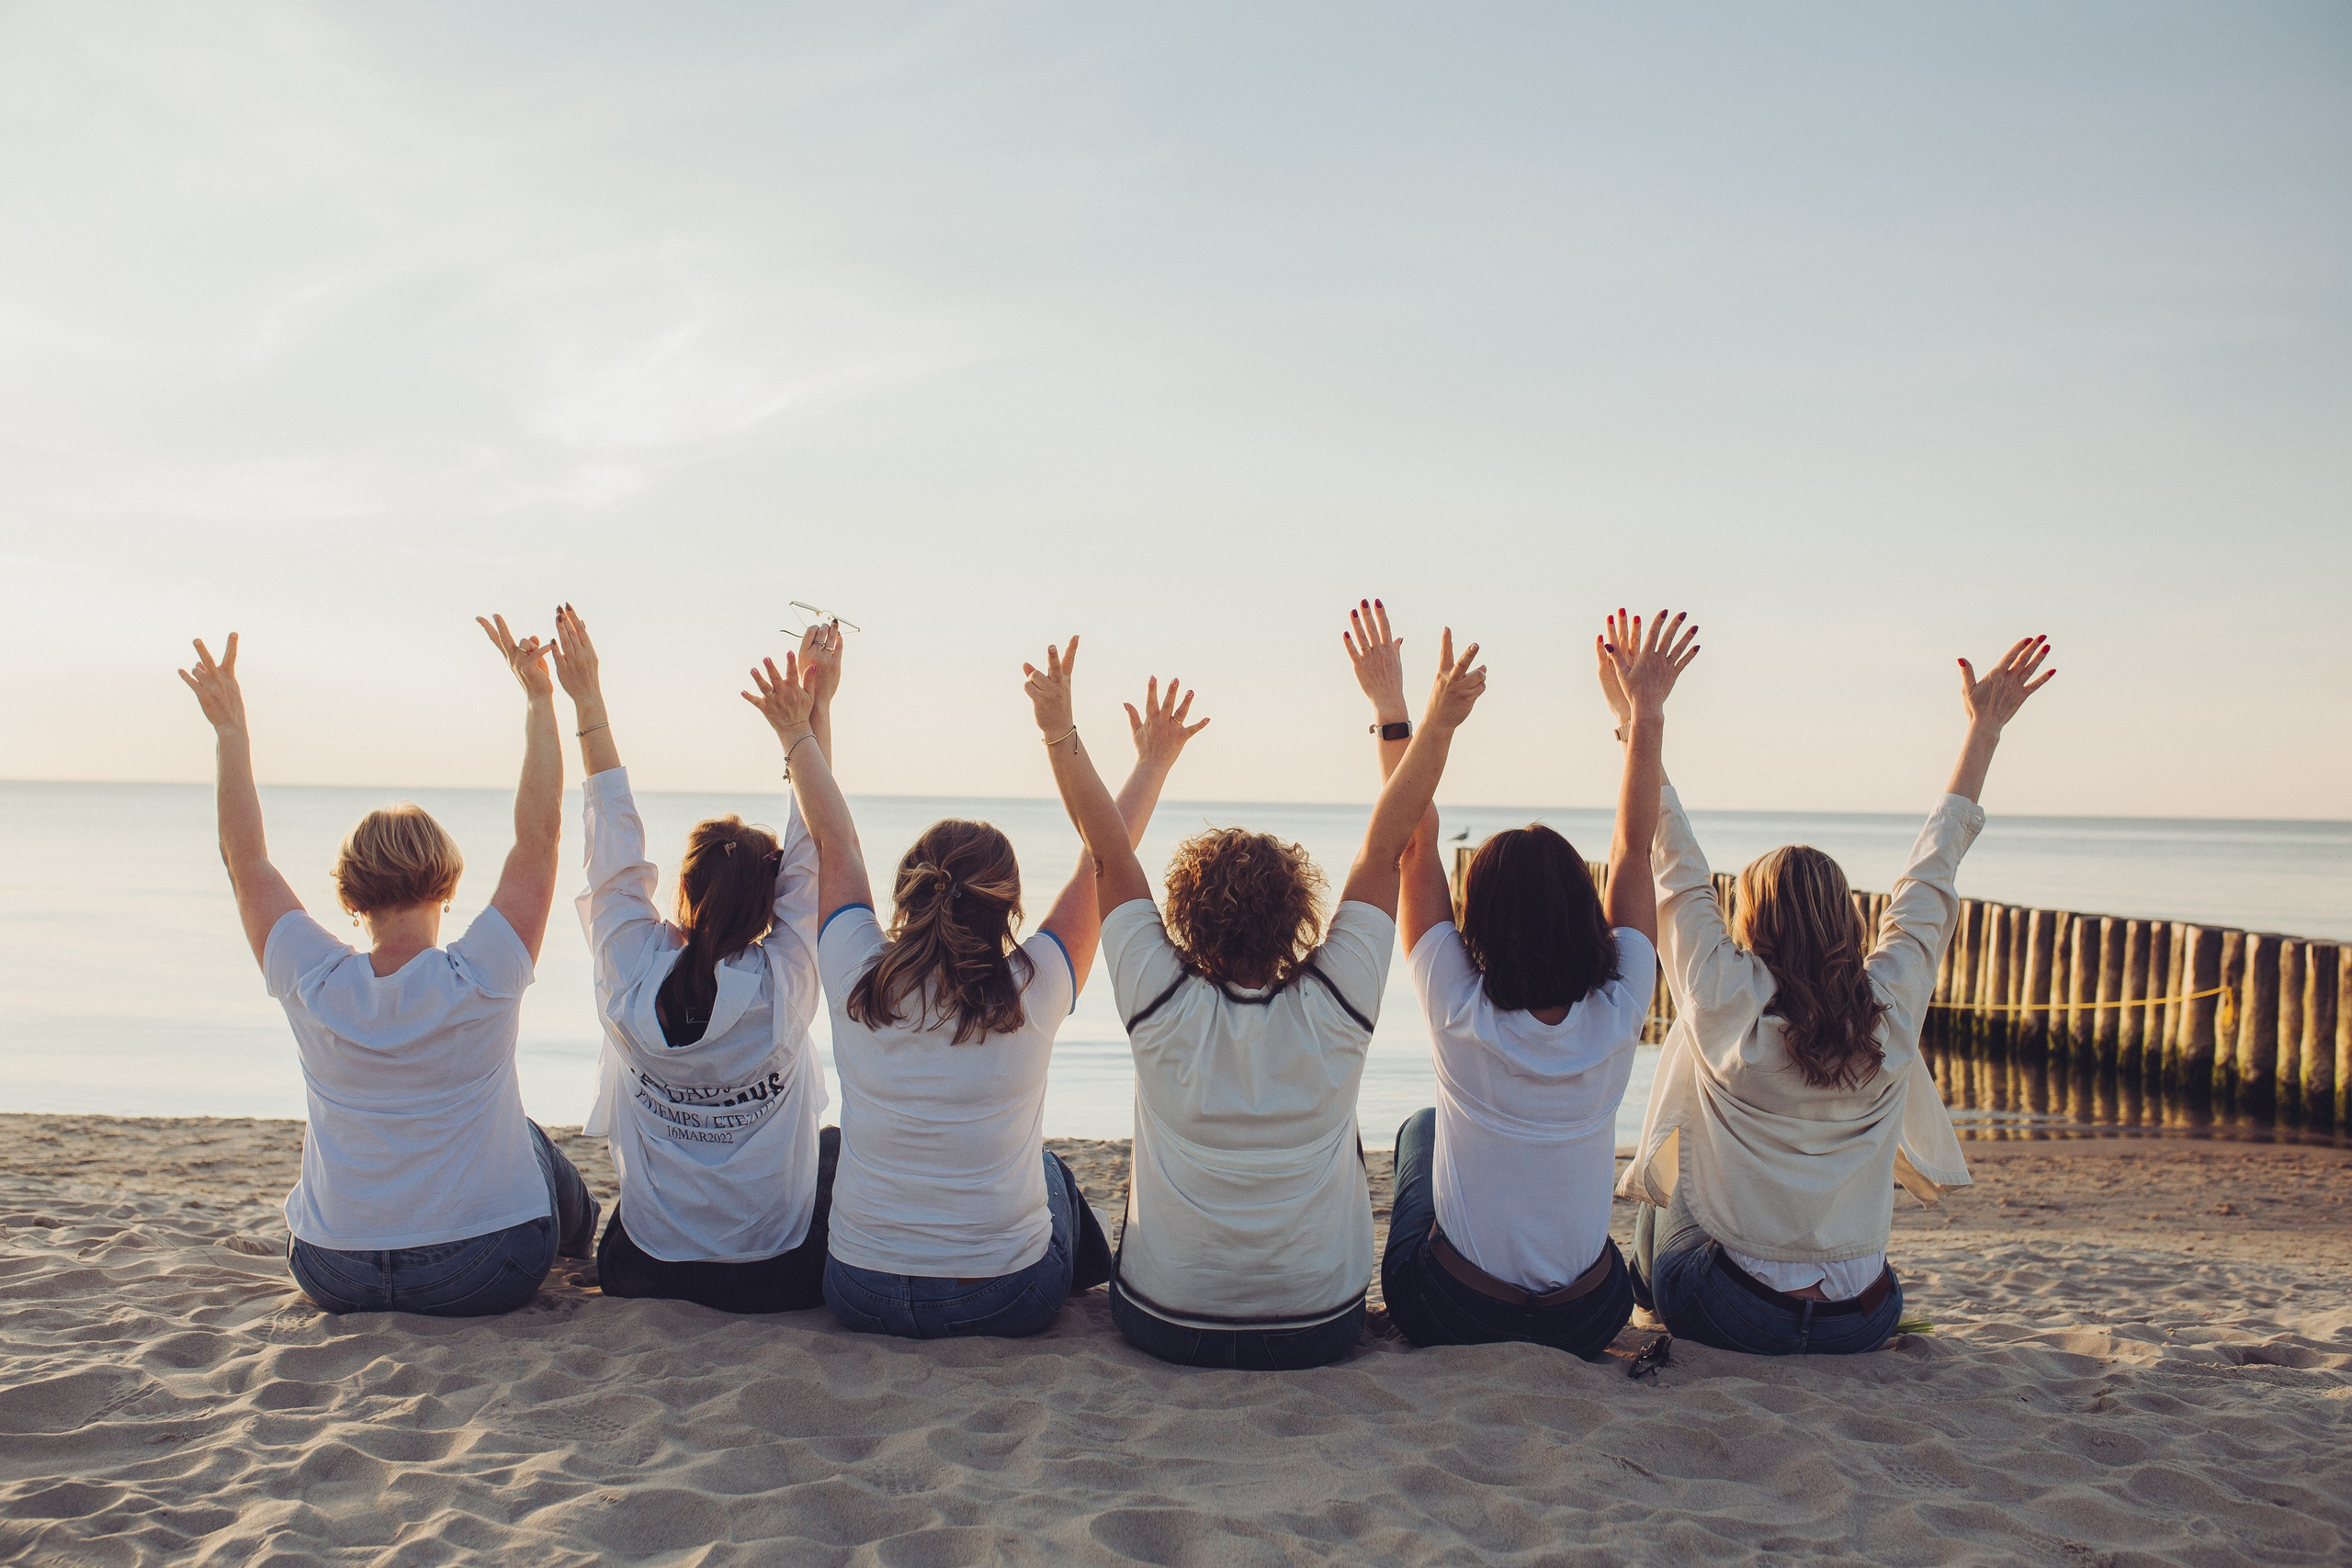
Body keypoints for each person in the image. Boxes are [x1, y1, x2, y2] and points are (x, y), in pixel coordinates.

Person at [744, 640, 1202, 1339]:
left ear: (906, 892)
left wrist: (805, 724)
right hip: (1002, 1298)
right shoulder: (1036, 986)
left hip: (860, 1290)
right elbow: (1105, 863)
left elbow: (833, 841)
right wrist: (1151, 761)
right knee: (1047, 1171)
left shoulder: (854, 970)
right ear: (1008, 906)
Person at [1619, 626, 2057, 1356]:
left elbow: (1674, 865)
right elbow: (1932, 876)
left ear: (1750, 921)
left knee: (1665, 1189)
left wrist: (1639, 721)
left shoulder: (1727, 1002)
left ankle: (1646, 1306)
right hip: (1865, 1313)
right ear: (1848, 920)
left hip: (1736, 1309)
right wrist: (1984, 730)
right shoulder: (1891, 1007)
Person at [1079, 619, 1489, 1371]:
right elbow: (1390, 843)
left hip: (1163, 1323)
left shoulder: (1159, 1003)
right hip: (1318, 1326)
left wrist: (1060, 734)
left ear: (1187, 920)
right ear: (1299, 914)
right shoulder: (1337, 1002)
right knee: (1421, 1138)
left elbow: (1108, 851)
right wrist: (1427, 719)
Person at [175, 618, 598, 1317]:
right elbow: (541, 834)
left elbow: (244, 858)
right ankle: (586, 1251)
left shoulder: (311, 979)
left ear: (348, 896)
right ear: (449, 885)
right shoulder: (484, 973)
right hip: (484, 1267)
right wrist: (538, 699)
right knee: (524, 1137)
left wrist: (231, 733)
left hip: (335, 1268)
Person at [1364, 600, 1694, 1359]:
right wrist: (1642, 714)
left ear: (1481, 922)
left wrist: (1399, 713)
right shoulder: (1619, 1009)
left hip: (1454, 1311)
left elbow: (1414, 848)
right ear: (1585, 913)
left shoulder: (1458, 1006)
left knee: (1422, 1126)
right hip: (1586, 1317)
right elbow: (1635, 847)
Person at [557, 604, 847, 1314]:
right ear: (770, 906)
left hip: (649, 1267)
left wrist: (586, 697)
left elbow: (612, 845)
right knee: (838, 1147)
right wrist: (812, 718)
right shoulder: (785, 981)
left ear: (683, 894)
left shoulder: (629, 971)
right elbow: (818, 846)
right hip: (776, 1275)